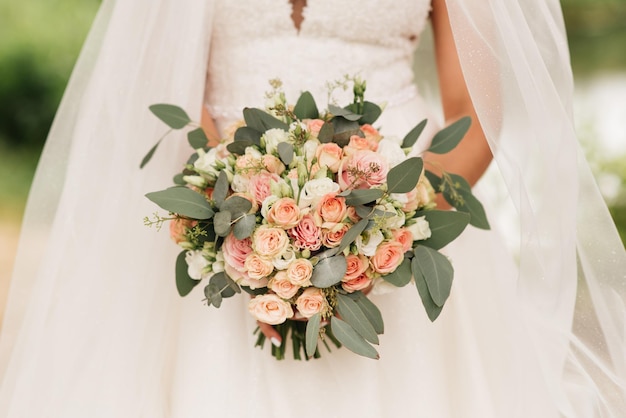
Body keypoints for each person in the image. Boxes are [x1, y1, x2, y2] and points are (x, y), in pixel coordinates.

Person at [0, 0, 624, 417]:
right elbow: (165, 88)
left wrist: (384, 229)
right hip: (224, 227)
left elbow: (473, 114)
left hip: (405, 233)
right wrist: (245, 222)